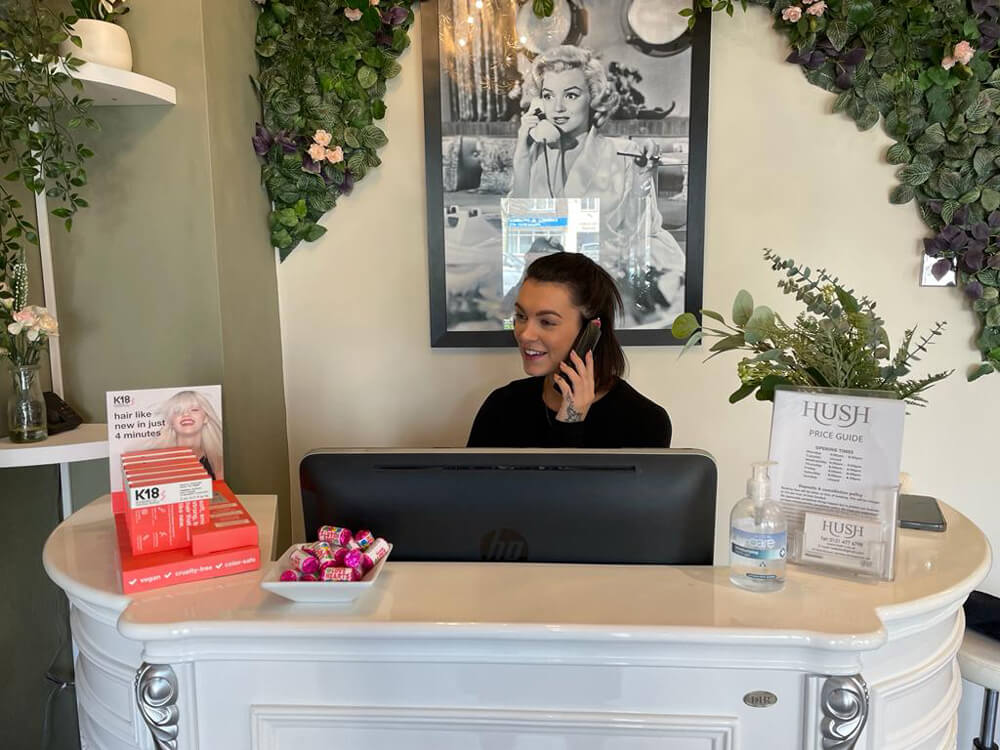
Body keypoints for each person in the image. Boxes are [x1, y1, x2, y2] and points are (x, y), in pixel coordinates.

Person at [509, 45, 685, 327]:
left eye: (571, 95)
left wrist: (643, 178)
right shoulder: (535, 153)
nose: (557, 108)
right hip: (550, 279)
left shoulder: (623, 152)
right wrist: (521, 154)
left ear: (593, 98)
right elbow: (519, 232)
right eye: (548, 95)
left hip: (606, 277)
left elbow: (640, 233)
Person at [468, 252, 671, 448]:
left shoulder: (645, 421)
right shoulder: (502, 406)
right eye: (521, 316)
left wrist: (570, 423)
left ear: (591, 331)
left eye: (547, 322)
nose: (525, 335)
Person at [148, 390, 224, 479]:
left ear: (205, 418)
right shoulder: (156, 461)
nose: (186, 414)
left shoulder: (218, 463)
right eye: (178, 411)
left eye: (194, 410)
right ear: (171, 421)